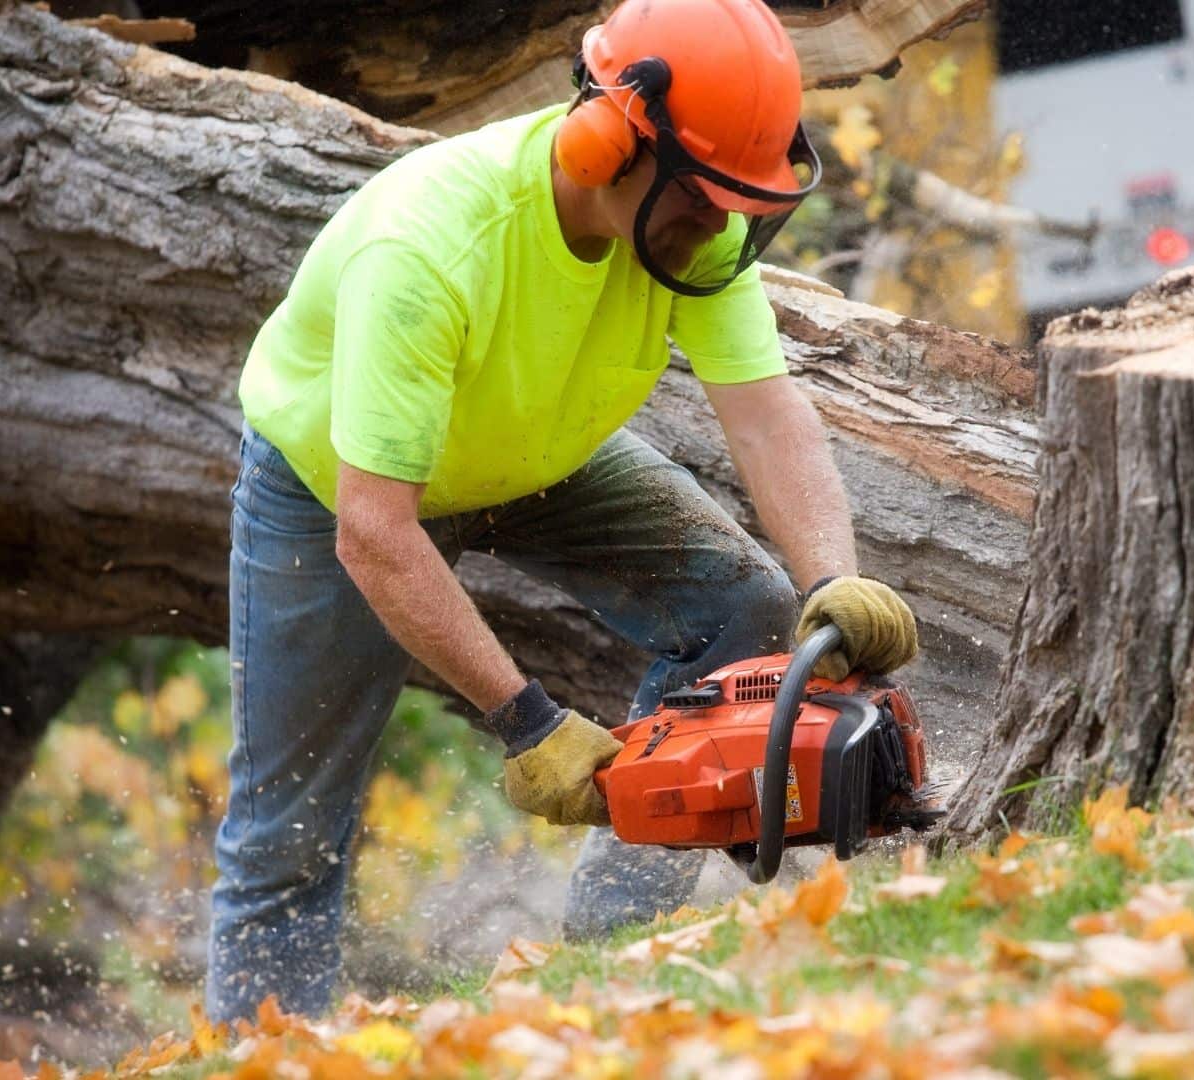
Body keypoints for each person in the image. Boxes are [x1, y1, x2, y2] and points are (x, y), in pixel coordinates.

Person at [204, 0, 921, 1022]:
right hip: (340, 490)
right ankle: (259, 1048)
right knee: (289, 838)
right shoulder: (429, 250)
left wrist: (832, 585)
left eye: (737, 203)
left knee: (741, 610)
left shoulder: (696, 232)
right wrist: (527, 723)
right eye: (702, 200)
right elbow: (374, 531)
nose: (718, 227)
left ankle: (609, 971)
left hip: (539, 455)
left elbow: (768, 415)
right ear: (610, 144)